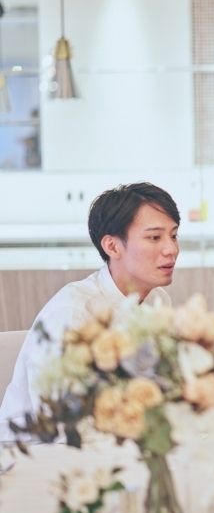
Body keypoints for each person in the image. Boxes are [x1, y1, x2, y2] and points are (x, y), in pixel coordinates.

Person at [0, 182, 180, 426]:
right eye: (154, 237)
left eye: (173, 235)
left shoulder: (158, 300)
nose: (171, 249)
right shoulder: (72, 312)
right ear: (112, 246)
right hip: (41, 446)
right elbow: (61, 422)